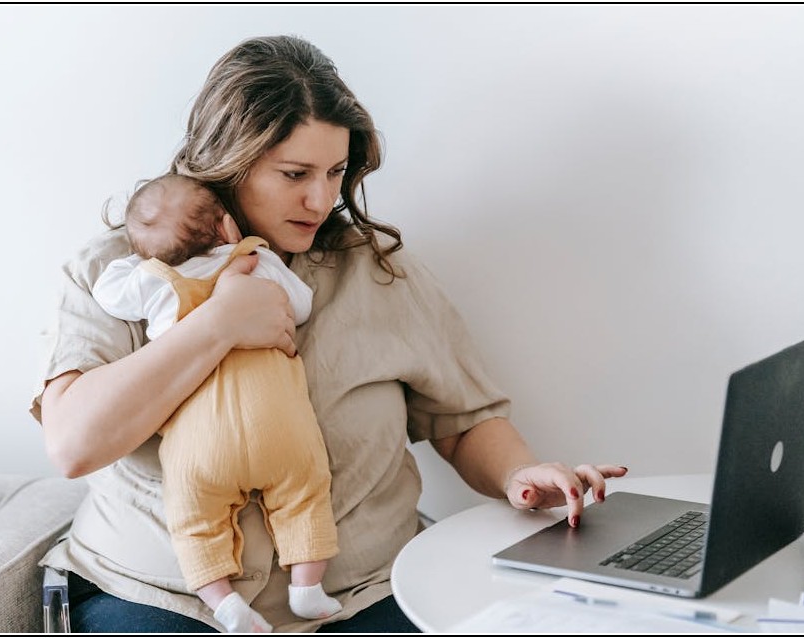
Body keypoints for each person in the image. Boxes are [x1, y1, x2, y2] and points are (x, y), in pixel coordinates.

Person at [32, 34, 628, 634]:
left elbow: (463, 419)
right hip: (158, 596)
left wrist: (517, 475)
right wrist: (216, 326)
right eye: (295, 173)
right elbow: (74, 445)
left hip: (363, 595)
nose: (320, 199)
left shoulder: (379, 271)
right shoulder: (118, 273)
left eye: (336, 172)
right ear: (227, 160)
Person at [91, 173, 341, 632]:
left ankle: (223, 603)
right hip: (279, 426)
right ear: (227, 226)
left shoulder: (158, 282)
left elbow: (108, 292)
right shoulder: (254, 259)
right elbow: (301, 305)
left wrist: (141, 259)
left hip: (200, 442)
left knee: (193, 519)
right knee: (306, 494)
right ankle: (307, 588)